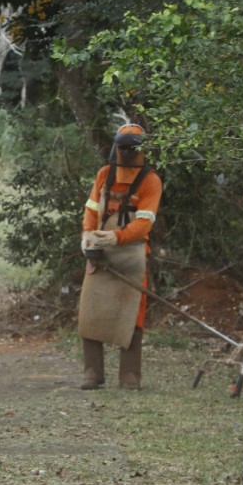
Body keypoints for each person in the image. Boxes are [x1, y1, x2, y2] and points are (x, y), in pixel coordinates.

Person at [77, 123, 162, 390]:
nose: (125, 152)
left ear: (140, 149)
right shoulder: (104, 174)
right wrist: (88, 236)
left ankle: (130, 377)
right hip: (100, 252)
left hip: (132, 253)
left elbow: (145, 223)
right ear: (115, 146)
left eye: (131, 147)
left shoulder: (151, 180)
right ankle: (92, 373)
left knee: (132, 316)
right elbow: (91, 209)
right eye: (122, 146)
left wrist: (117, 236)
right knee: (89, 312)